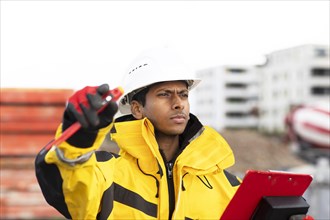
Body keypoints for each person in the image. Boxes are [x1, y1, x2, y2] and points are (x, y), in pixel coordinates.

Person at [35, 48, 241, 219]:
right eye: (164, 94)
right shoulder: (107, 174)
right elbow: (66, 185)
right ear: (137, 109)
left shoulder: (228, 185)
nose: (178, 104)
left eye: (183, 95)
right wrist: (78, 141)